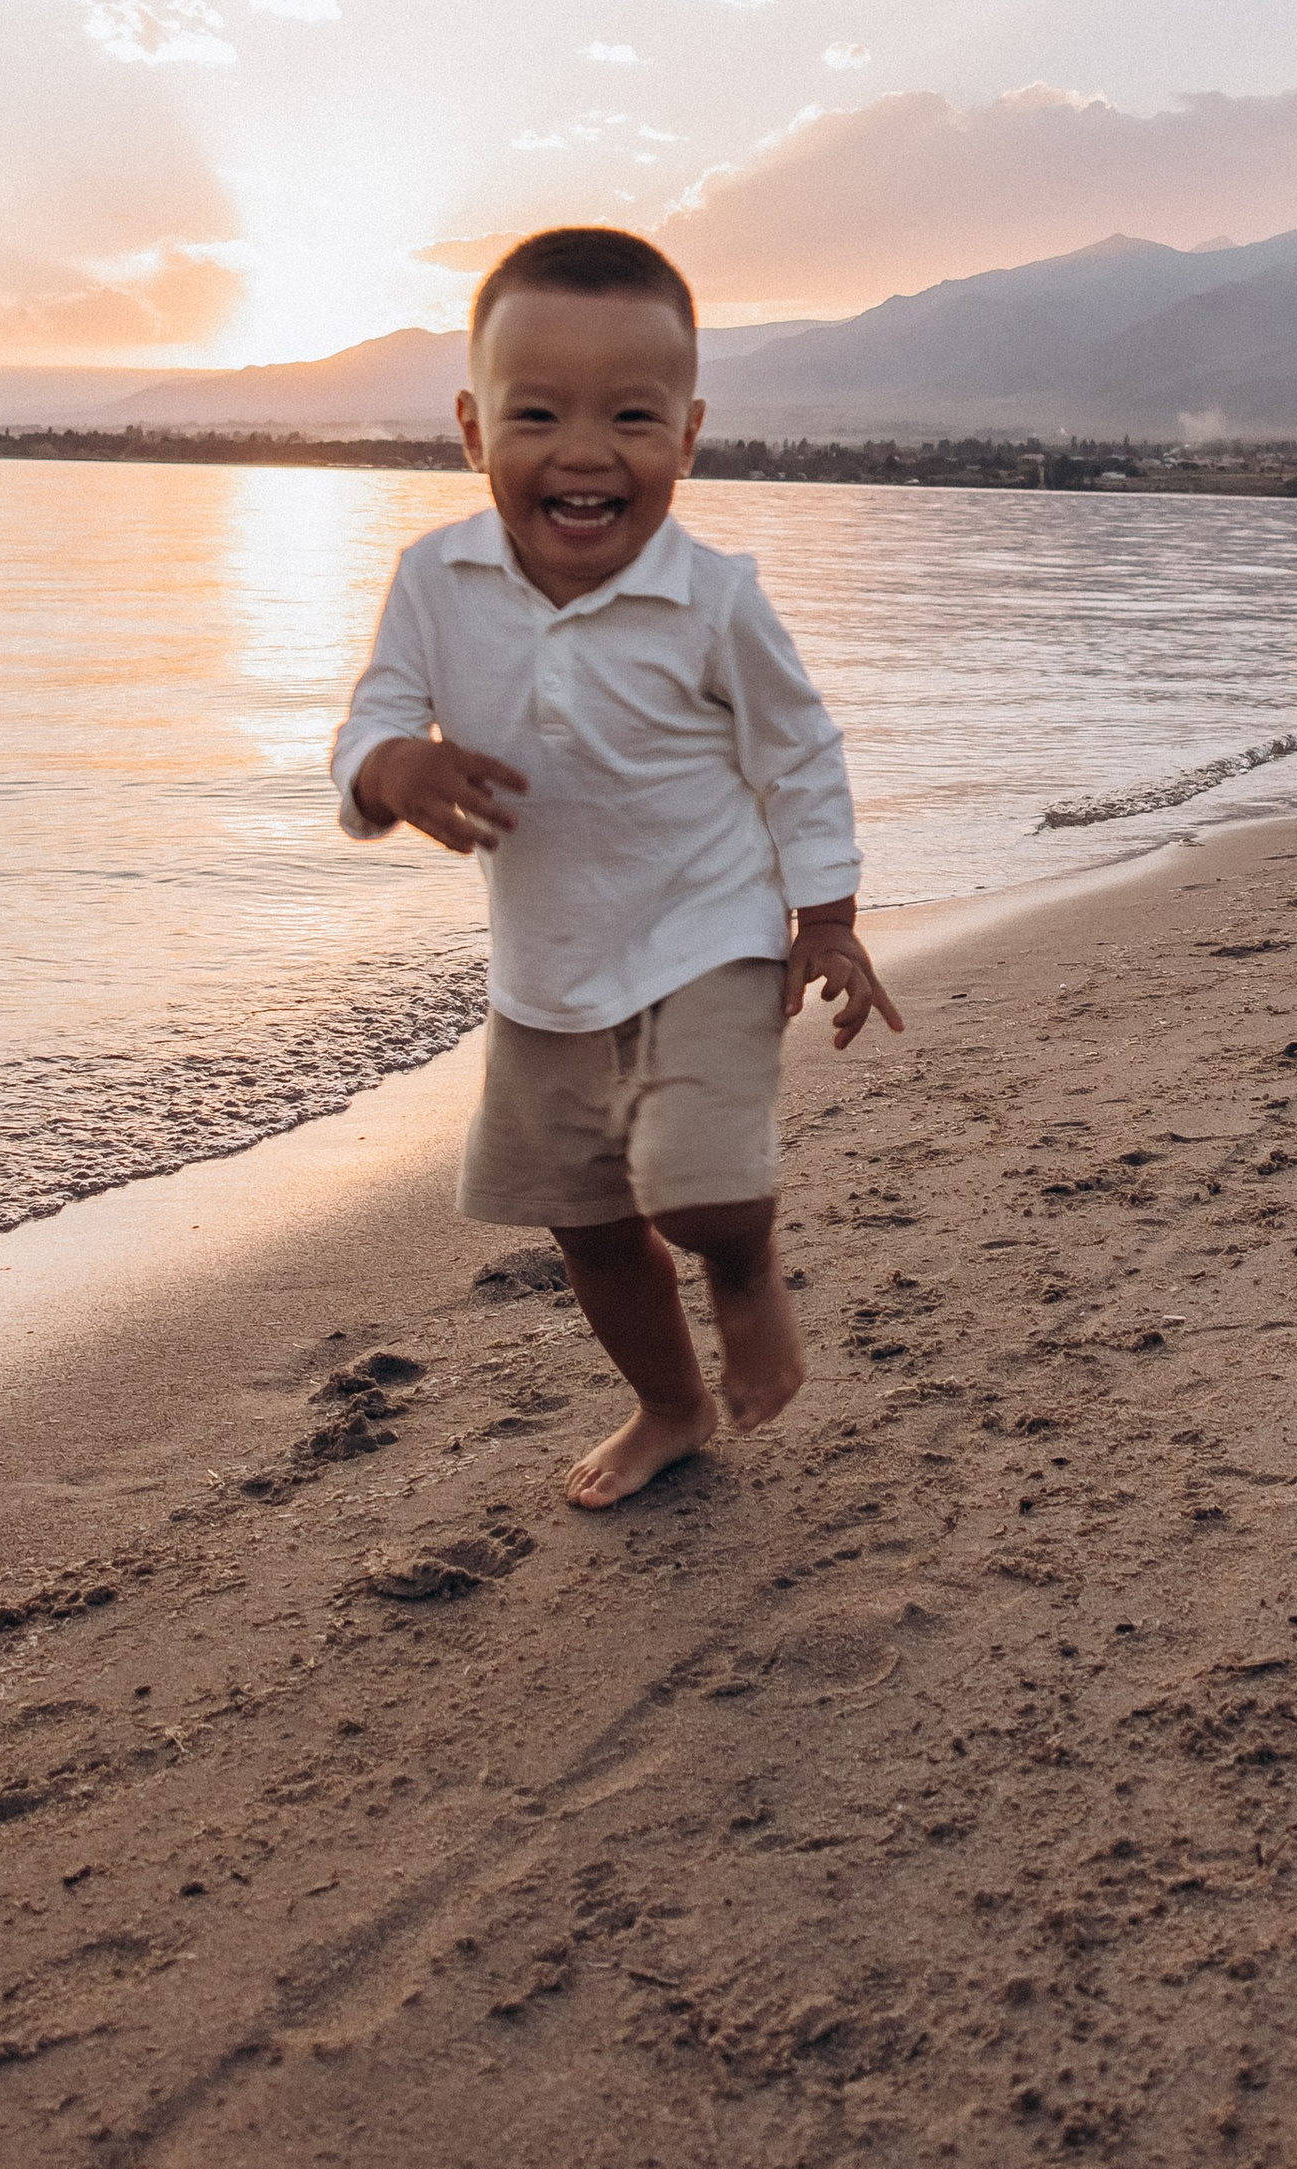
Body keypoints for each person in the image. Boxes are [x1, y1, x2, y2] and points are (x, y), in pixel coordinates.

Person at [329, 224, 903, 1511]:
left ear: (688, 438)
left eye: (631, 417)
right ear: (474, 431)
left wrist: (827, 915)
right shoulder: (435, 579)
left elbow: (800, 755)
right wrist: (391, 772)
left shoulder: (715, 600)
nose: (585, 450)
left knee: (695, 1196)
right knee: (586, 1225)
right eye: (540, 413)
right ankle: (668, 1404)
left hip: (709, 940)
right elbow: (370, 721)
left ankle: (745, 1270)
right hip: (544, 975)